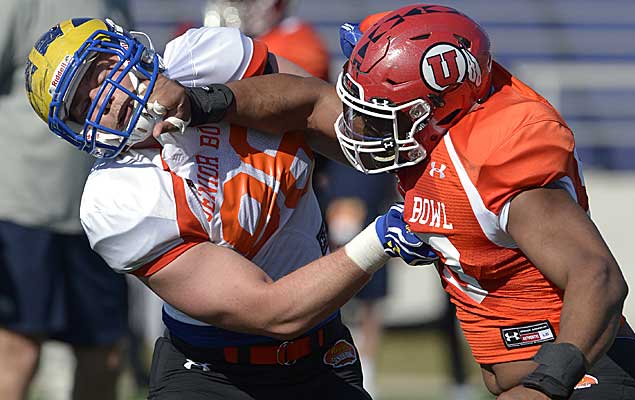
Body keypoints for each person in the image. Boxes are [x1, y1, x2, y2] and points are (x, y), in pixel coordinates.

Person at [147, 4, 635, 399]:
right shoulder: (431, 134)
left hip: (581, 378)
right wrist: (209, 102)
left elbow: (596, 276)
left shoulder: (495, 158)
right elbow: (309, 102)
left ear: (434, 110)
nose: (359, 127)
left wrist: (549, 383)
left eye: (378, 113)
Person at [24, 17, 437, 400]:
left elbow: (319, 108)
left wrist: (207, 101)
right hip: (212, 374)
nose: (103, 96)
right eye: (81, 103)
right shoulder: (117, 198)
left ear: (126, 47)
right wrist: (385, 237)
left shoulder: (204, 57)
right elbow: (271, 311)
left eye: (98, 70)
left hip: (322, 350)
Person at [0, 3, 129, 400]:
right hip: (22, 207)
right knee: (18, 348)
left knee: (105, 352)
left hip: (101, 210)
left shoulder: (116, 4)